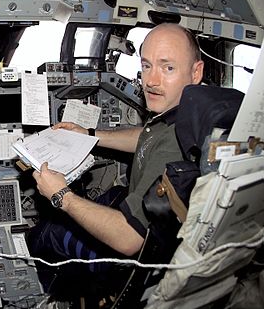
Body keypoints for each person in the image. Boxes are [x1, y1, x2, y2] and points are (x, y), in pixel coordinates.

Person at [28, 23, 204, 288]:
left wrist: (61, 195)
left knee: (46, 234)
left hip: (139, 262)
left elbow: (129, 238)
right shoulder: (190, 115)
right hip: (163, 233)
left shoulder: (175, 140)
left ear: (196, 72)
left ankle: (44, 295)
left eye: (168, 68)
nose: (152, 81)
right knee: (107, 197)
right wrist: (89, 134)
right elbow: (147, 137)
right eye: (147, 66)